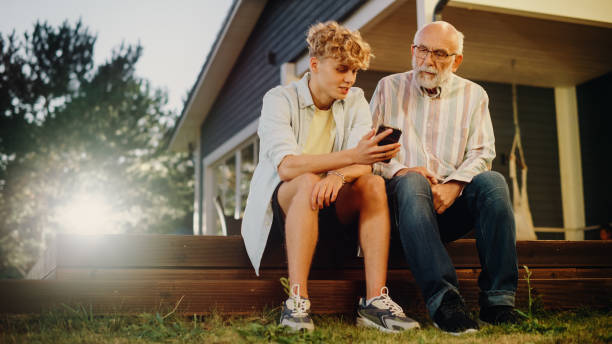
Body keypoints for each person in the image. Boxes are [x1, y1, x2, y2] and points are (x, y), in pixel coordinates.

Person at [241, 21, 419, 332]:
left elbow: (365, 165)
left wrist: (338, 174)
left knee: (374, 183)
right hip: (287, 206)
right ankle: (297, 302)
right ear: (315, 65)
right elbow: (288, 167)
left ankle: (374, 302)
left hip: (335, 203)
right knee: (307, 180)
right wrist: (351, 159)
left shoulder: (355, 99)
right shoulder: (278, 99)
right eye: (341, 69)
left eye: (354, 71)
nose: (349, 78)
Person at [370, 21, 520, 335]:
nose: (428, 60)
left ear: (456, 60)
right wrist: (404, 170)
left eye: (440, 53)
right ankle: (445, 301)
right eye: (422, 50)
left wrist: (454, 185)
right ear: (412, 50)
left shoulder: (474, 95)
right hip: (403, 208)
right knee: (413, 182)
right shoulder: (388, 87)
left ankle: (498, 302)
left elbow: (482, 152)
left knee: (493, 182)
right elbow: (371, 151)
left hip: (447, 207)